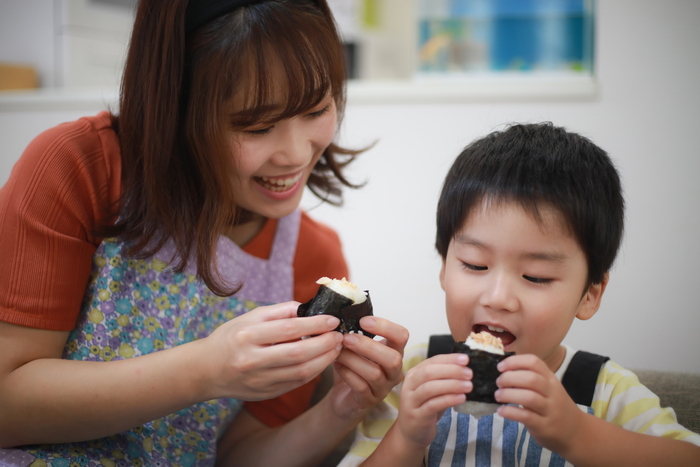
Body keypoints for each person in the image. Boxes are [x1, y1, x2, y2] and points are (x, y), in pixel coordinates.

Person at [0, 0, 408, 465]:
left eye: (316, 109)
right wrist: (206, 370)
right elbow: (7, 403)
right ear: (175, 105)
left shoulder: (310, 256)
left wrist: (343, 408)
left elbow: (237, 457)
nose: (295, 154)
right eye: (257, 126)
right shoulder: (78, 170)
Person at [338, 123, 700, 467]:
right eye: (476, 265)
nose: (498, 298)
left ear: (589, 294)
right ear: (444, 267)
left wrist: (579, 435)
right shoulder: (412, 375)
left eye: (535, 276)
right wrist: (406, 439)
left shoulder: (604, 390)